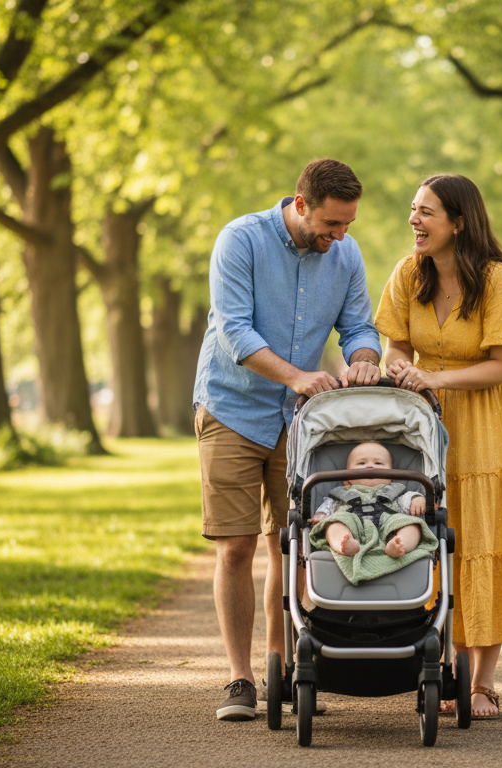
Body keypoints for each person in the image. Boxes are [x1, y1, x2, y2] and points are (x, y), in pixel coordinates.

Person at [193, 158, 383, 722]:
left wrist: (364, 358)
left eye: (347, 224)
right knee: (236, 546)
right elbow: (234, 332)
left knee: (293, 543)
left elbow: (358, 326)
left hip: (300, 421)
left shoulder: (346, 254)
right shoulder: (240, 240)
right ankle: (239, 677)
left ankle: (283, 671)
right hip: (232, 409)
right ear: (301, 205)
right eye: (331, 224)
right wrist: (298, 376)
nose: (340, 236)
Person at [376, 173, 502, 720]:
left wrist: (436, 378)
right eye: (413, 209)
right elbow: (395, 347)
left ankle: (483, 682)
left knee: (481, 539)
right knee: (431, 536)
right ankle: (443, 670)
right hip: (423, 425)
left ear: (458, 222)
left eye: (426, 211)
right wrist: (402, 370)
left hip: (483, 425)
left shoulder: (497, 279)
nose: (414, 220)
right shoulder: (409, 273)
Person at [310, 442, 438, 583]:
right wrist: (320, 516)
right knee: (333, 524)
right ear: (347, 476)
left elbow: (410, 499)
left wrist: (418, 499)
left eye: (378, 463)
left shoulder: (397, 492)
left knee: (412, 524)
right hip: (352, 526)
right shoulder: (338, 495)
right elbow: (325, 509)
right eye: (361, 463)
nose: (370, 467)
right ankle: (343, 542)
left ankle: (400, 543)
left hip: (388, 526)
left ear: (391, 475)